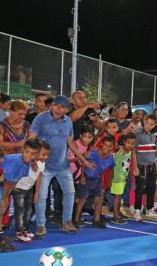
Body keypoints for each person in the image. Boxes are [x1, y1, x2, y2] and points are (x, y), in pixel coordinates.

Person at [29, 95, 91, 236]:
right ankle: (40, 225)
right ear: (51, 105)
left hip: (63, 165)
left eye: (62, 107)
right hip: (43, 165)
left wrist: (83, 159)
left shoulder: (68, 120)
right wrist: (32, 159)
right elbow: (31, 139)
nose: (58, 109)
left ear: (67, 109)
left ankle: (67, 221)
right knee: (41, 196)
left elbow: (71, 142)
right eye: (56, 105)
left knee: (70, 192)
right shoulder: (41, 118)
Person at [0, 138, 41, 251]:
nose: (29, 156)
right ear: (22, 149)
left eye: (33, 154)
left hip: (2, 185)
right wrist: (4, 199)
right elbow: (8, 182)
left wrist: (7, 197)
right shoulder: (15, 162)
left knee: (0, 210)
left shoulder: (27, 163)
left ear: (37, 155)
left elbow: (14, 181)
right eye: (27, 151)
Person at [74, 135, 115, 228]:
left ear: (113, 147)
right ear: (102, 144)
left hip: (98, 179)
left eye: (110, 146)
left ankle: (96, 220)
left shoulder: (111, 158)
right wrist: (82, 176)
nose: (107, 148)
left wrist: (109, 181)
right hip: (87, 178)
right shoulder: (93, 153)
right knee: (82, 199)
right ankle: (76, 219)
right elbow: (84, 163)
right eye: (105, 145)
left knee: (99, 199)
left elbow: (112, 169)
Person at [13, 140, 49, 242]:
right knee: (19, 211)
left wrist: (36, 192)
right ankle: (19, 231)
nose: (45, 157)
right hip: (18, 188)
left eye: (47, 155)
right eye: (43, 154)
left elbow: (39, 177)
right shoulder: (25, 160)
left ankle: (24, 229)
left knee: (28, 211)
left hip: (29, 189)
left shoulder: (42, 163)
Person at [132, 115, 157, 220]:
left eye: (152, 124)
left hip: (152, 166)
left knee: (151, 189)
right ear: (144, 122)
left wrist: (156, 167)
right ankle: (137, 210)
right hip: (141, 166)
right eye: (147, 123)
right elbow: (133, 152)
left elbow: (153, 153)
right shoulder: (138, 135)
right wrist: (135, 167)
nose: (149, 126)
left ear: (155, 125)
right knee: (139, 189)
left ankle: (150, 209)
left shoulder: (153, 135)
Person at [111, 134, 135, 224]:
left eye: (132, 143)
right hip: (117, 178)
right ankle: (115, 216)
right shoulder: (120, 152)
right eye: (128, 143)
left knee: (119, 197)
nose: (130, 145)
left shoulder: (129, 152)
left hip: (123, 178)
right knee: (117, 197)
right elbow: (113, 165)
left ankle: (117, 213)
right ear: (124, 142)